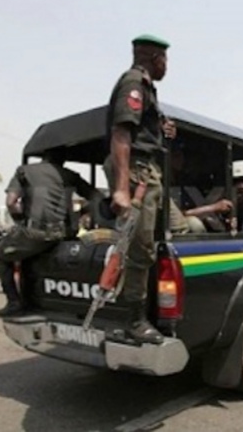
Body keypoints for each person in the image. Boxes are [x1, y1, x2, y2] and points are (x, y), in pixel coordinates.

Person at [103, 34, 176, 344]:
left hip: (146, 171)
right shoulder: (134, 82)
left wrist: (163, 129)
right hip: (137, 173)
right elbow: (121, 133)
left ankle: (142, 314)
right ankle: (135, 320)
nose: (167, 67)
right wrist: (121, 189)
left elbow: (142, 131)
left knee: (147, 246)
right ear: (154, 57)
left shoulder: (147, 89)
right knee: (139, 249)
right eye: (165, 60)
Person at [0, 147, 95, 317]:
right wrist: (80, 214)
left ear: (44, 156)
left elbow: (11, 203)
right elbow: (96, 197)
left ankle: (14, 302)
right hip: (63, 234)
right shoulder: (69, 175)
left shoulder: (25, 171)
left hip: (35, 232)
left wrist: (20, 221)